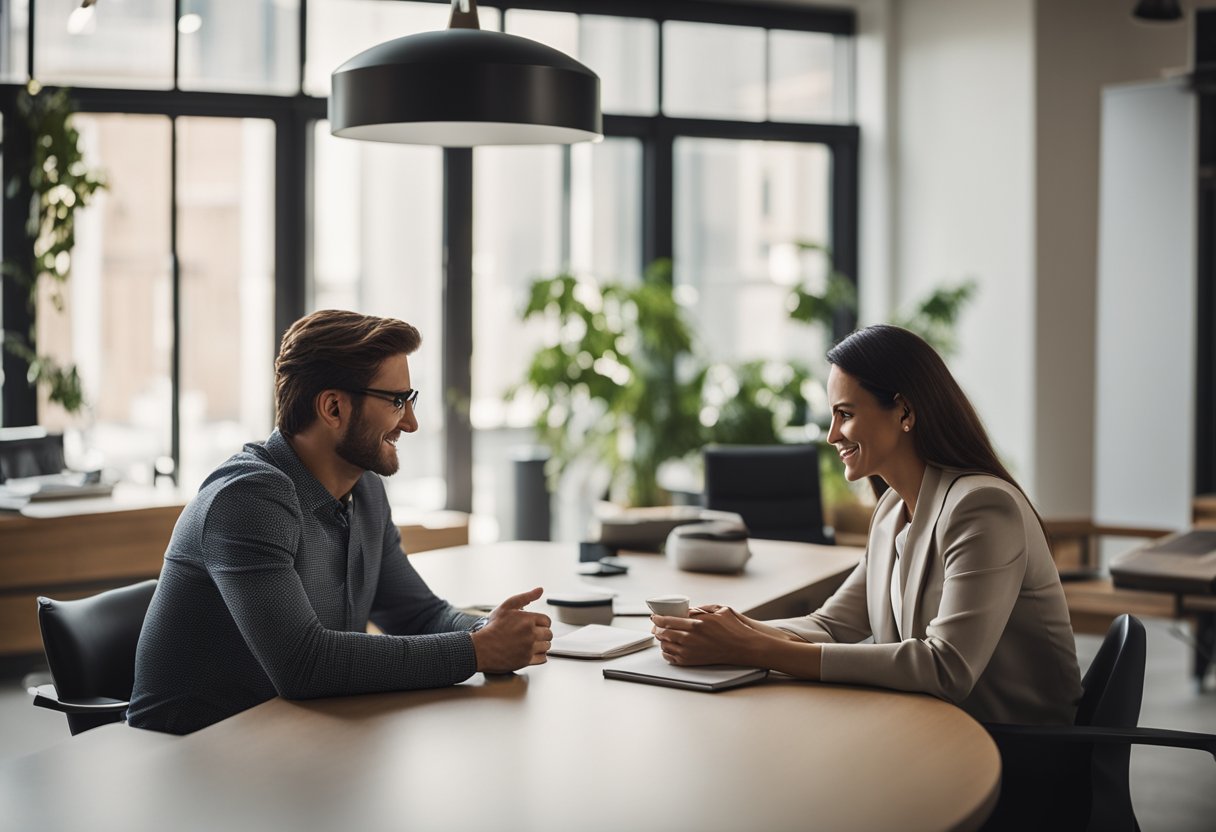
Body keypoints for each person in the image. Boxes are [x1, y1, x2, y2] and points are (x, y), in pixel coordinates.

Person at [128, 310, 552, 734]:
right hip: (191, 757)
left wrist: (490, 631)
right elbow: (305, 664)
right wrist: (475, 651)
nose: (411, 422)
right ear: (333, 407)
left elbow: (417, 615)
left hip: (289, 740)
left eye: (411, 399)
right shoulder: (248, 499)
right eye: (396, 401)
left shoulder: (363, 490)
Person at [652, 324, 1083, 726]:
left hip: (1021, 754)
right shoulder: (893, 511)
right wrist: (726, 627)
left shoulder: (982, 508)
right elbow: (831, 626)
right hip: (936, 731)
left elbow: (946, 667)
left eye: (845, 414)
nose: (832, 435)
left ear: (904, 411)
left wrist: (754, 647)